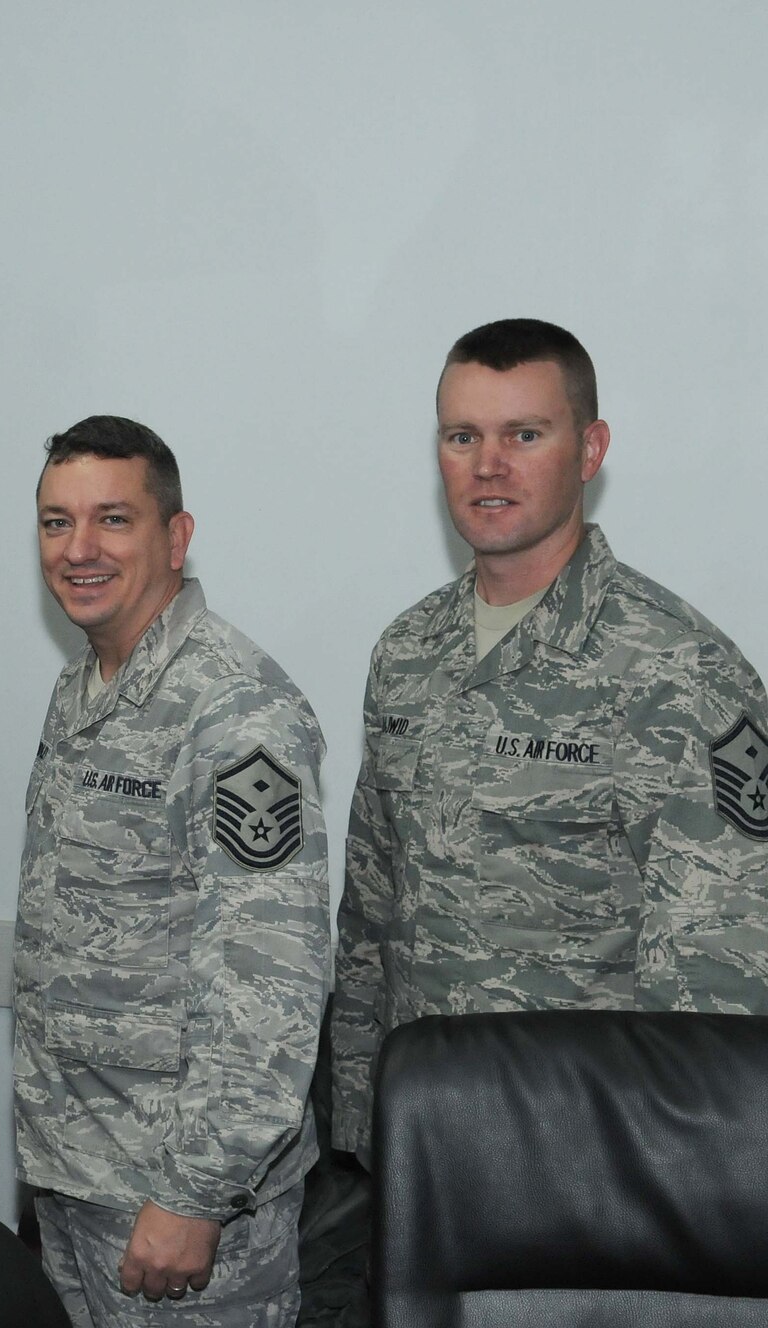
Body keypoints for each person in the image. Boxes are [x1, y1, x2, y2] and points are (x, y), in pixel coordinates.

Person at [317, 318, 768, 1324]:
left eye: (523, 434)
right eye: (459, 436)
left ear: (589, 450)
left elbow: (716, 986)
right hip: (426, 1161)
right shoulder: (406, 650)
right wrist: (359, 1119)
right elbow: (375, 902)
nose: (486, 466)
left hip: (591, 1177)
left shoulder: (677, 671)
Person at [14, 416, 330, 1327]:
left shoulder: (236, 710)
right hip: (75, 1175)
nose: (79, 549)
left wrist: (195, 1194)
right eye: (54, 522)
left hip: (180, 1205)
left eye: (113, 520)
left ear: (176, 537)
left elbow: (271, 981)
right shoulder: (82, 689)